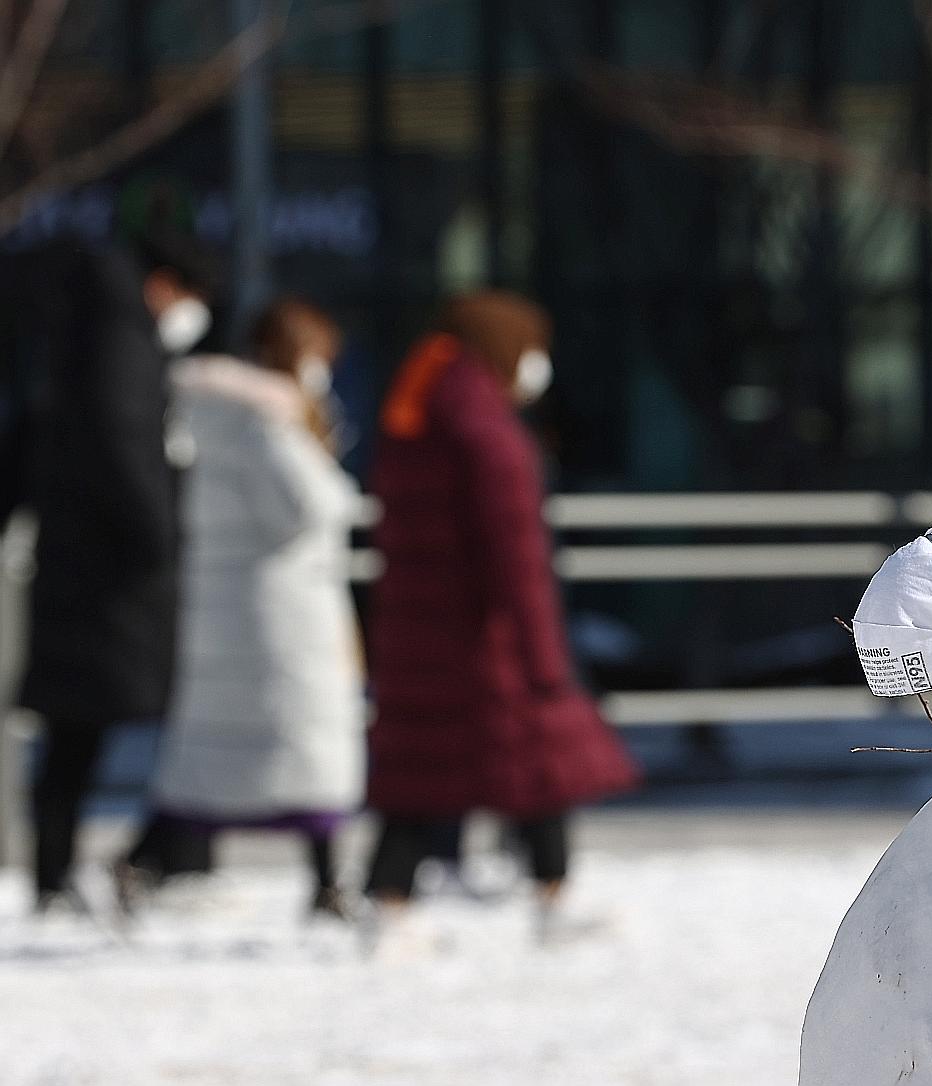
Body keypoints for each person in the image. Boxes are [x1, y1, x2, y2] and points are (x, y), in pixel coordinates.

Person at [365, 291, 638, 942]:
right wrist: (546, 655)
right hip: (485, 637)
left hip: (420, 630)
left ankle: (390, 906)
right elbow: (518, 553)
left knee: (421, 770)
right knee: (537, 762)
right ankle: (552, 896)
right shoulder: (485, 427)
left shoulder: (419, 408)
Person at [116, 299, 365, 918]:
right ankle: (328, 884)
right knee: (306, 747)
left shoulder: (212, 416)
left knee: (213, 753)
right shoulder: (264, 422)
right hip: (282, 615)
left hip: (228, 609)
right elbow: (311, 506)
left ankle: (148, 860)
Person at [12, 231, 215, 913]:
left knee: (83, 728)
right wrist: (159, 536)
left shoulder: (88, 332)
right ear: (163, 283)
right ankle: (142, 861)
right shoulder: (120, 340)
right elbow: (123, 446)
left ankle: (74, 868)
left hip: (83, 566)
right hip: (111, 575)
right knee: (111, 725)